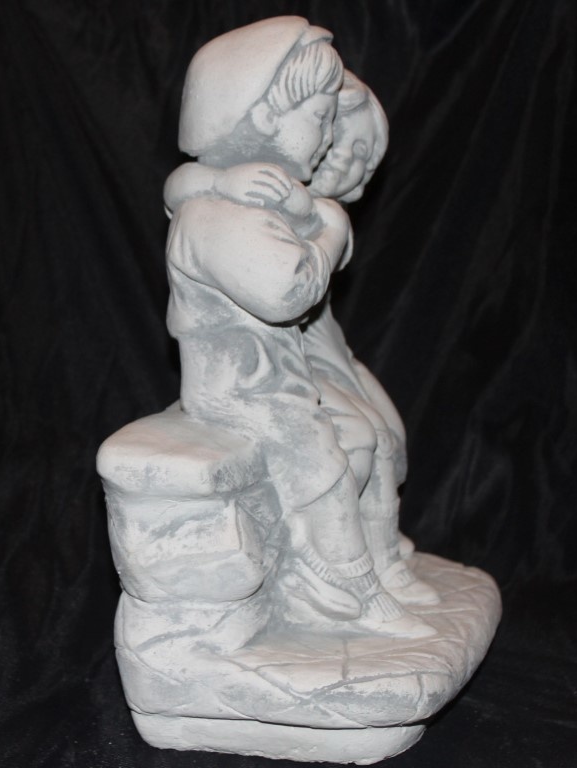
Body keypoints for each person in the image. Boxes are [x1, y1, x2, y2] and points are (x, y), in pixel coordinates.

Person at [167, 17, 433, 637]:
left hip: (278, 380)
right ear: (263, 115)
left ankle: (369, 563)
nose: (328, 137)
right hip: (240, 389)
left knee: (366, 435)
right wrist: (329, 231)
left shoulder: (259, 198)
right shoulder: (217, 217)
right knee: (324, 456)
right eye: (319, 117)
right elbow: (289, 291)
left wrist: (309, 214)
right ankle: (343, 586)